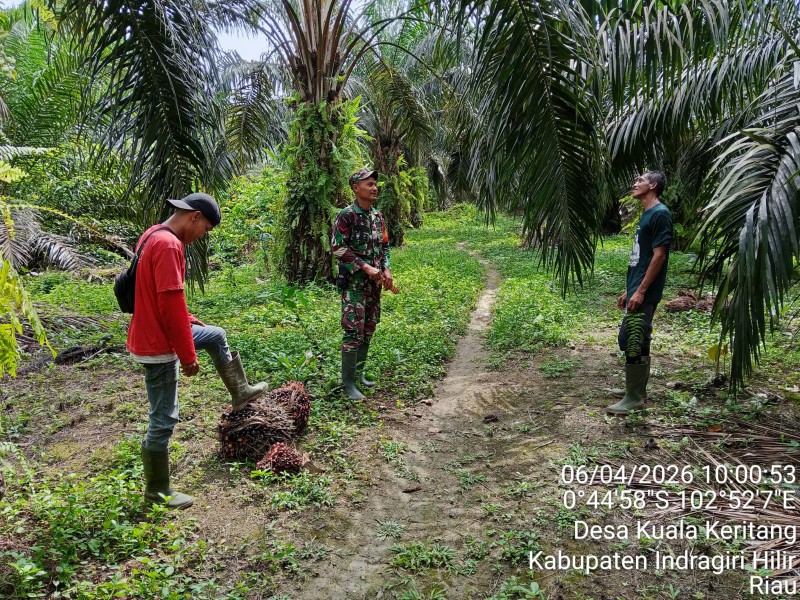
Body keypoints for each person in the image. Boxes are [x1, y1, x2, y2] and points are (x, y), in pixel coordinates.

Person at [127, 192, 267, 508]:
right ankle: (157, 492)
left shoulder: (152, 235)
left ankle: (240, 390)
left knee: (216, 335)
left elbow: (155, 292)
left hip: (152, 331)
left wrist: (189, 321)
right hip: (159, 344)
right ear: (194, 217)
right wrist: (188, 355)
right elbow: (169, 303)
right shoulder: (169, 245)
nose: (201, 235)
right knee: (164, 416)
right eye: (205, 229)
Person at [607, 171, 672, 415]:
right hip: (637, 286)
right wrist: (629, 289)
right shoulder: (647, 214)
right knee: (638, 337)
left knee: (630, 337)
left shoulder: (660, 214)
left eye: (640, 181)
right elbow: (641, 258)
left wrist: (641, 291)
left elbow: (659, 256)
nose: (634, 184)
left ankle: (634, 396)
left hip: (646, 290)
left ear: (652, 185)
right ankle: (637, 390)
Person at [331, 168, 392, 400]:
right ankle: (348, 385)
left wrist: (387, 269)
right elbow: (338, 248)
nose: (374, 188)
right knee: (353, 331)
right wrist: (365, 267)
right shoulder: (347, 216)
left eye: (375, 184)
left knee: (368, 328)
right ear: (356, 188)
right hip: (354, 286)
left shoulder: (378, 217)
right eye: (369, 184)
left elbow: (385, 246)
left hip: (374, 286)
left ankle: (359, 375)